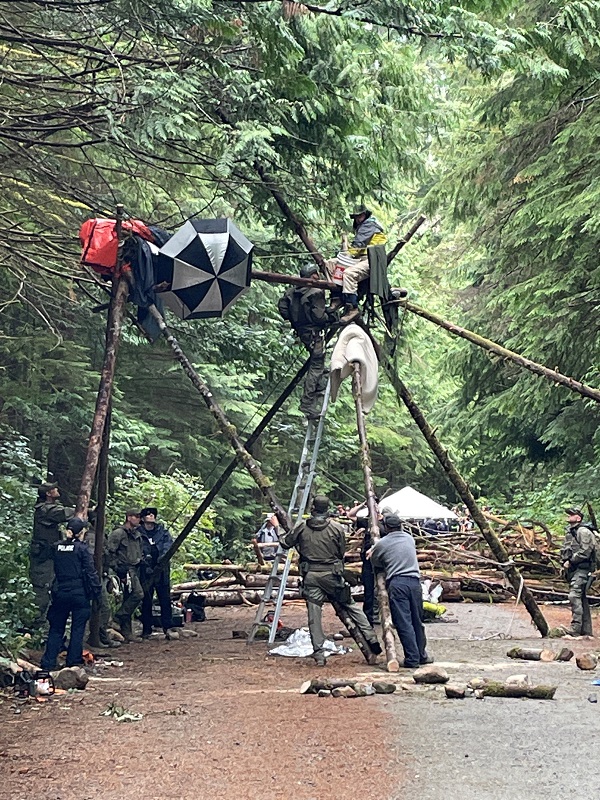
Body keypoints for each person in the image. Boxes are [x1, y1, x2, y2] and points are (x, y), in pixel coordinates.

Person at [279, 494, 381, 666]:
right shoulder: (337, 528)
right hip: (332, 575)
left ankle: (319, 652)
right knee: (351, 605)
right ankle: (372, 639)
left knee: (314, 615)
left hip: (311, 576)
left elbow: (285, 543)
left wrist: (278, 528)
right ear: (327, 509)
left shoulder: (302, 527)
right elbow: (341, 552)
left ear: (312, 508)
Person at [369, 513, 433, 668]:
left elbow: (375, 561)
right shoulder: (409, 538)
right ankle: (421, 655)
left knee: (404, 622)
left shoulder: (382, 543)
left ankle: (412, 658)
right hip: (415, 582)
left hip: (398, 582)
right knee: (417, 620)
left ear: (386, 527)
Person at [40, 517, 101, 670]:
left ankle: (48, 662)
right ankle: (73, 661)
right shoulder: (82, 549)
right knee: (78, 628)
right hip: (79, 593)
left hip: (60, 592)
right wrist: (96, 591)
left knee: (56, 628)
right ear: (81, 532)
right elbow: (90, 571)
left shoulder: (57, 547)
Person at [278, 263, 334, 419]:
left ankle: (319, 386)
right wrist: (330, 317)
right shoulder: (315, 292)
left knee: (319, 365)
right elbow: (319, 317)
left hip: (303, 333)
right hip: (314, 333)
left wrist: (297, 319)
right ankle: (307, 403)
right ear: (313, 275)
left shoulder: (291, 292)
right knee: (316, 365)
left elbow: (283, 309)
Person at [328, 205, 387, 324]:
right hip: (360, 258)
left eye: (360, 216)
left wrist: (347, 250)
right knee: (330, 264)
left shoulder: (369, 225)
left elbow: (357, 247)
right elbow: (356, 251)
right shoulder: (362, 226)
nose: (358, 219)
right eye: (356, 217)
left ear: (365, 215)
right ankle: (336, 296)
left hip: (372, 260)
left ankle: (352, 308)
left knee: (349, 273)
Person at [30, 481, 75, 627]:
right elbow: (63, 514)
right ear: (48, 494)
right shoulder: (45, 510)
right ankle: (33, 624)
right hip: (43, 558)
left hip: (50, 557)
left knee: (53, 588)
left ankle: (45, 622)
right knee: (42, 589)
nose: (57, 489)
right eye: (53, 489)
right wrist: (82, 508)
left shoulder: (49, 508)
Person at [138, 507, 177, 640]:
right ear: (142, 518)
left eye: (153, 514)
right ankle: (146, 628)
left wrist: (163, 558)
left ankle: (168, 626)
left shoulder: (163, 532)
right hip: (146, 570)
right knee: (146, 599)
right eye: (148, 514)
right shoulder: (138, 533)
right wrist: (145, 562)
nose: (151, 516)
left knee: (164, 598)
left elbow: (168, 545)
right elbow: (137, 549)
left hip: (162, 570)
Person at [107, 509, 144, 643]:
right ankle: (117, 618)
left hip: (135, 568)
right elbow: (109, 552)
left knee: (129, 598)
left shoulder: (137, 534)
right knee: (138, 594)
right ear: (129, 517)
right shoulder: (118, 534)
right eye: (137, 517)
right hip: (124, 569)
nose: (139, 519)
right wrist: (118, 569)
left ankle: (127, 632)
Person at [560, 507, 596, 636]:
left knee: (574, 595)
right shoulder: (572, 532)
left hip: (583, 568)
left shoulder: (583, 531)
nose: (568, 516)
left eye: (571, 514)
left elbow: (586, 551)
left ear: (578, 518)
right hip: (575, 569)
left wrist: (571, 561)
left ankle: (575, 628)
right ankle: (586, 631)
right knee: (581, 597)